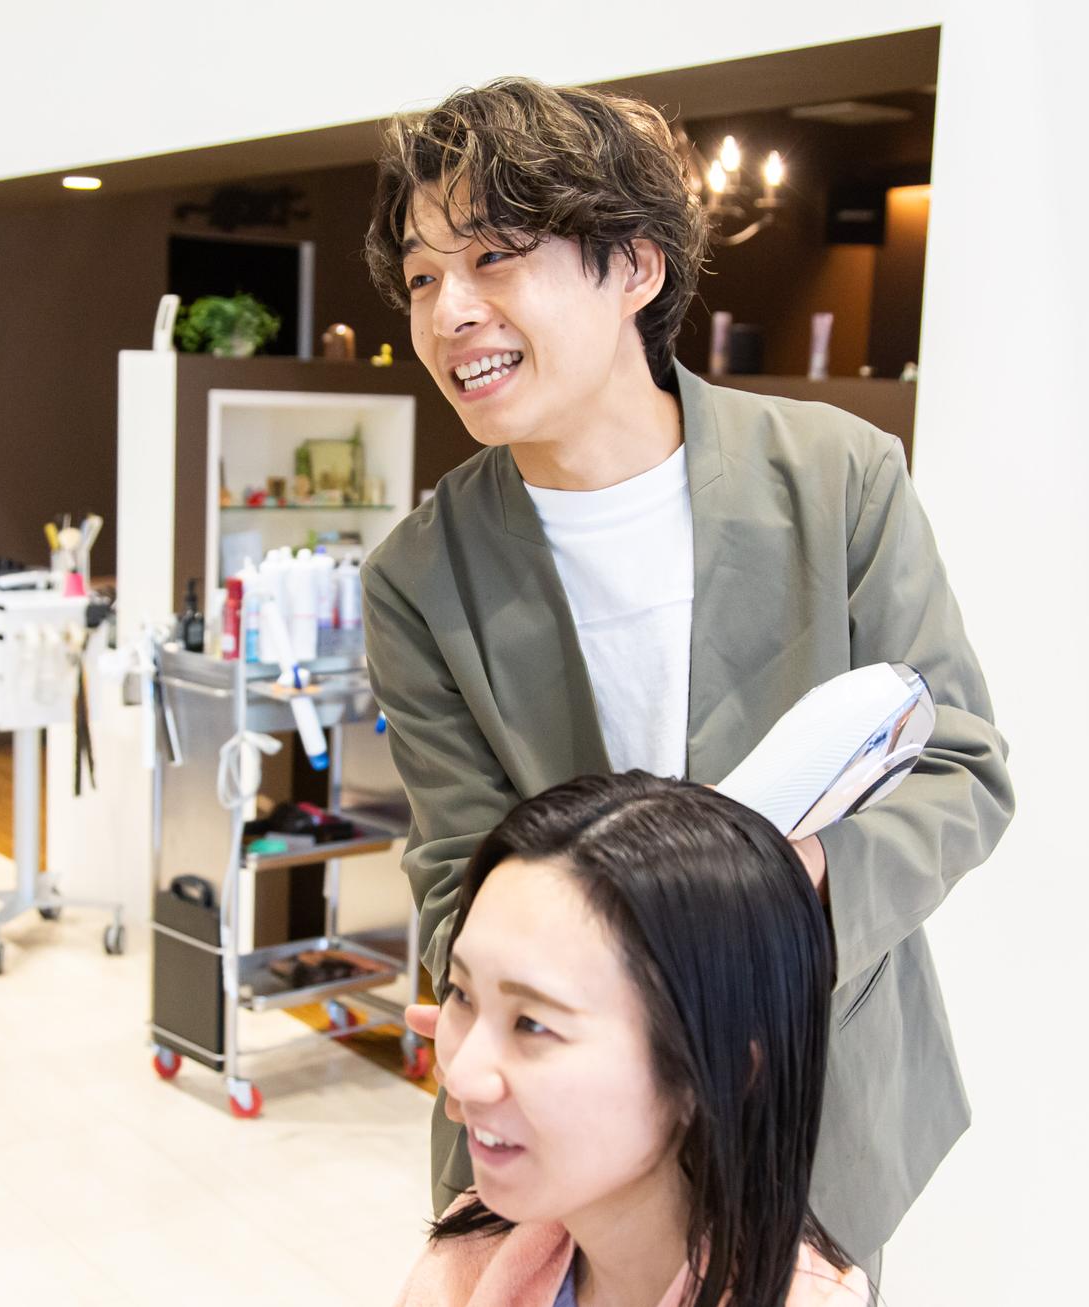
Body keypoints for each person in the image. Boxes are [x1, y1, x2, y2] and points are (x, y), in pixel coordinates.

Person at [361, 77, 1015, 1271]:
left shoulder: (834, 478)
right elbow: (459, 870)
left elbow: (959, 769)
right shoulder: (421, 575)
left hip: (809, 1086)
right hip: (560, 1125)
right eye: (419, 276)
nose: (449, 309)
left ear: (635, 266)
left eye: (494, 255)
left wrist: (778, 895)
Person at [395, 772, 869, 1307]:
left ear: (724, 1071)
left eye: (532, 1024)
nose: (460, 1077)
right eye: (462, 994)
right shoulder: (466, 1259)